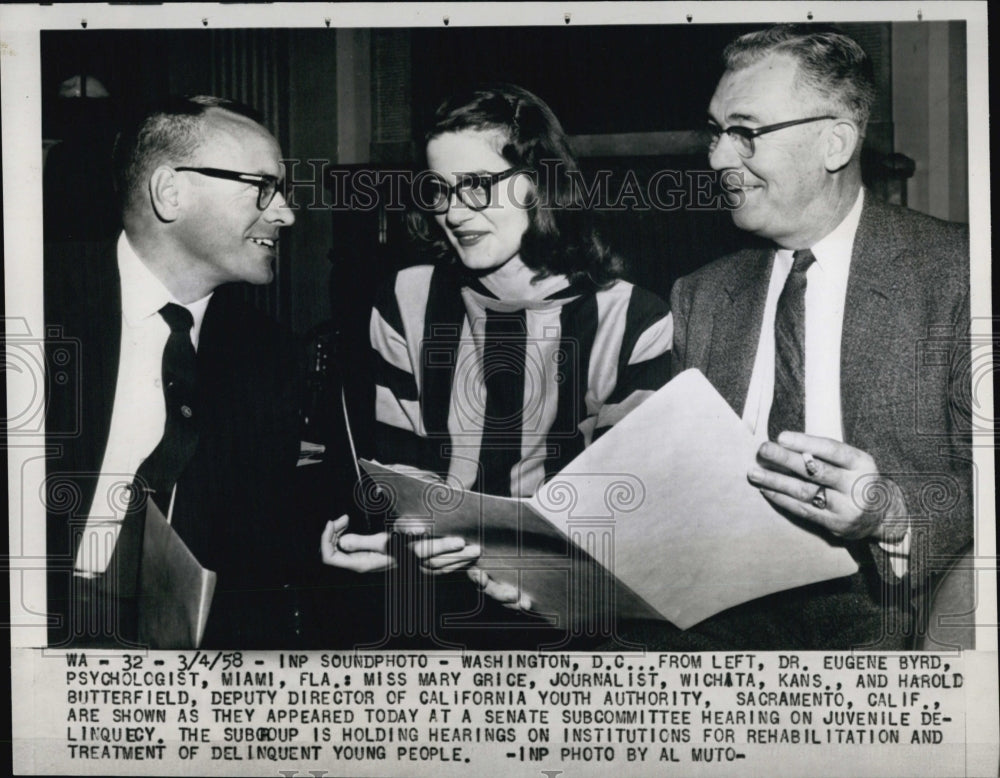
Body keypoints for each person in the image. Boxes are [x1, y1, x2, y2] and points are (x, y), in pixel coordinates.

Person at [633, 24, 971, 650]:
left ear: (835, 142)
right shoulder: (700, 295)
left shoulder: (959, 274)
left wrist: (891, 510)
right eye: (716, 131)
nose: (717, 157)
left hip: (885, 608)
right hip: (714, 612)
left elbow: (986, 478)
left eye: (746, 132)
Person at [322, 84, 674, 647]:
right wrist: (402, 538)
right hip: (433, 611)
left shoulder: (633, 318)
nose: (454, 213)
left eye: (478, 187)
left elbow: (630, 511)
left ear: (542, 182)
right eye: (439, 190)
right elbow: (400, 469)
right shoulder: (405, 300)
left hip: (578, 620)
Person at [44, 95, 311, 648]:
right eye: (262, 186)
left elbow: (252, 556)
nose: (285, 212)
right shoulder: (37, 300)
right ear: (170, 192)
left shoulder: (269, 358)